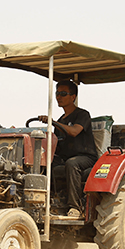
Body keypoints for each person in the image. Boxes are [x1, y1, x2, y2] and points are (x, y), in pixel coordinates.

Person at [38, 80, 99, 218]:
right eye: (57, 93)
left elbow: (74, 131)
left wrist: (53, 122)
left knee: (72, 164)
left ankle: (75, 208)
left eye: (63, 94)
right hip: (67, 158)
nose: (58, 97)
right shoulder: (61, 120)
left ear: (73, 97)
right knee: (46, 164)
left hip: (86, 158)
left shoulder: (82, 115)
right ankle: (51, 203)